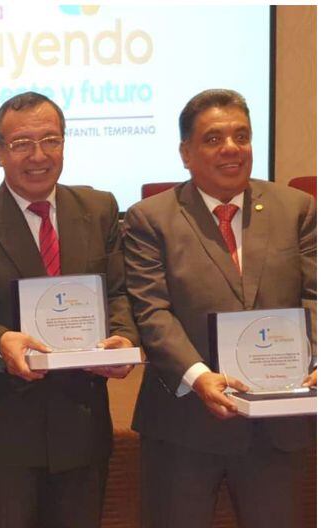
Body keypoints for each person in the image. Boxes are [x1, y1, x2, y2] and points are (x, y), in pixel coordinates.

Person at [0, 91, 139, 528]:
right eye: (21, 143)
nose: (38, 156)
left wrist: (123, 337)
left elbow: (119, 293)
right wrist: (1, 341)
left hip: (83, 421)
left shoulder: (99, 209)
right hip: (6, 428)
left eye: (50, 140)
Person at [123, 89, 316, 528]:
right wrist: (198, 377)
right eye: (213, 139)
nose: (231, 148)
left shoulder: (296, 209)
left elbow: (315, 295)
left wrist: (317, 358)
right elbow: (152, 312)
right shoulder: (150, 218)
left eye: (241, 136)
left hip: (278, 424)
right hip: (184, 425)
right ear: (185, 153)